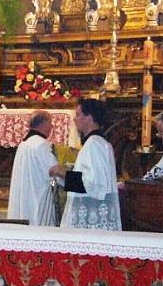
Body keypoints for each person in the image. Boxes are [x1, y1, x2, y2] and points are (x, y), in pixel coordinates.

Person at [49, 99, 120, 230]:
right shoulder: (99, 142)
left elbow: (94, 186)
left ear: (89, 118)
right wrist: (64, 177)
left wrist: (62, 172)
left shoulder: (94, 144)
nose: (74, 119)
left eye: (78, 115)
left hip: (91, 219)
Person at [7, 110, 59, 226]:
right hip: (37, 196)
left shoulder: (24, 143)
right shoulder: (41, 144)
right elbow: (54, 170)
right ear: (44, 123)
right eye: (50, 123)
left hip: (26, 194)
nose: (51, 127)